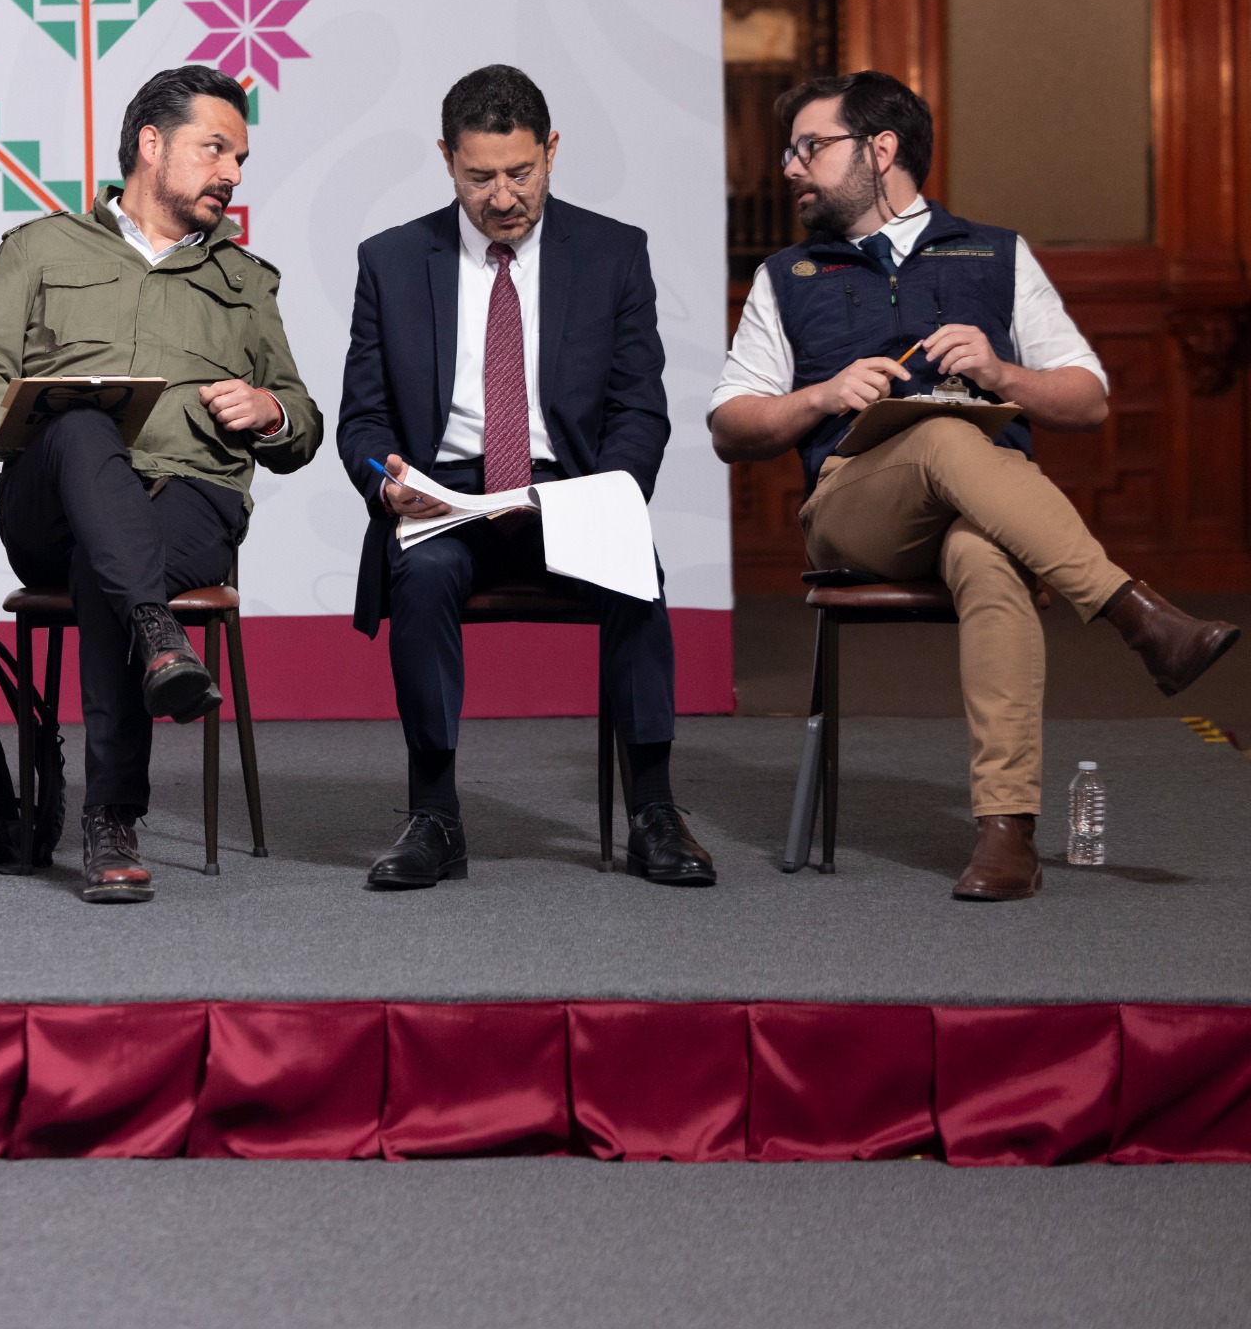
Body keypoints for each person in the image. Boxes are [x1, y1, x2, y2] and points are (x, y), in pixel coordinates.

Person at [711, 69, 1238, 900]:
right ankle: (1136, 614)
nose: (791, 167)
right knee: (946, 434)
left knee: (990, 556)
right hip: (855, 504)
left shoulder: (996, 253)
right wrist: (819, 395)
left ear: (880, 151)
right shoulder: (788, 275)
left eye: (810, 147)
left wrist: (1002, 372)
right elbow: (729, 427)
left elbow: (1089, 397)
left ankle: (1006, 833)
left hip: (986, 501)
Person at [0, 65, 320, 904]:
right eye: (214, 148)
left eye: (241, 158)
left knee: (105, 562)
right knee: (81, 427)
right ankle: (157, 635)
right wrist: (32, 414)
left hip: (192, 500)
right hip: (50, 496)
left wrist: (270, 410)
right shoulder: (39, 250)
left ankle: (111, 817)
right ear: (151, 144)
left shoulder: (245, 280)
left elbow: (303, 422)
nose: (231, 171)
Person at [338, 65, 710, 890]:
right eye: (479, 178)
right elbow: (362, 423)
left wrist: (609, 496)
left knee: (633, 571)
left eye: (521, 172)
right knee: (423, 573)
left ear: (551, 150)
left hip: (566, 486)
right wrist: (385, 482)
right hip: (448, 493)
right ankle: (434, 813)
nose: (502, 197)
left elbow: (640, 409)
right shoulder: (393, 260)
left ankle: (654, 807)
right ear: (446, 159)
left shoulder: (615, 252)